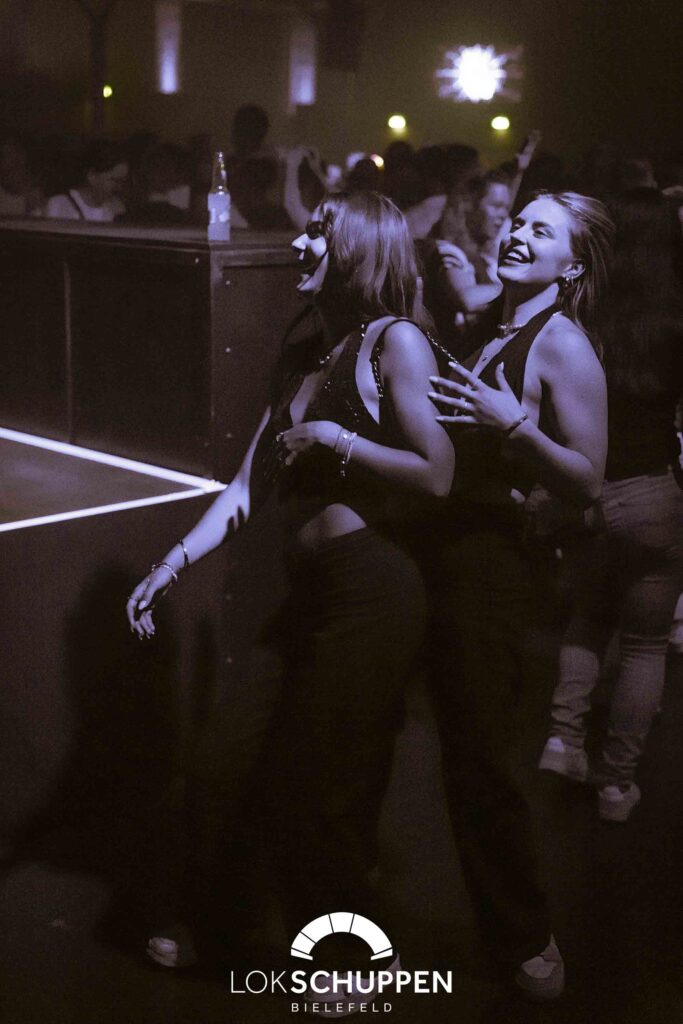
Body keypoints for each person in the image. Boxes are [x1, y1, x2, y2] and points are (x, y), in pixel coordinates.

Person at [125, 190, 454, 995]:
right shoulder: (307, 348)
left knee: (322, 783)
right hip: (295, 587)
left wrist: (339, 439)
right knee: (222, 758)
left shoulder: (395, 342)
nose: (299, 244)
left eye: (317, 233)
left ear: (359, 250)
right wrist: (171, 562)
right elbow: (247, 486)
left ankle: (345, 959)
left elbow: (437, 472)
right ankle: (221, 919)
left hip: (369, 591)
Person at [428, 191, 614, 999]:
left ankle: (527, 936)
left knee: (479, 764)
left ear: (569, 266)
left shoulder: (562, 344)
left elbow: (588, 479)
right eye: (520, 223)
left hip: (495, 573)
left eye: (543, 232)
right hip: (447, 553)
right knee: (447, 751)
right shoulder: (495, 325)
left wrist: (513, 427)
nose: (519, 235)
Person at [539, 188, 683, 821]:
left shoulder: (583, 315)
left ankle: (563, 739)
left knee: (588, 619)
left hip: (587, 489)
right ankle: (616, 786)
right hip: (654, 492)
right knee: (646, 645)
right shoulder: (674, 320)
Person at [44, 139, 128, 222]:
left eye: (122, 181)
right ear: (92, 176)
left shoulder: (118, 210)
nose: (119, 187)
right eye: (114, 180)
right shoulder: (59, 205)